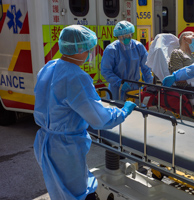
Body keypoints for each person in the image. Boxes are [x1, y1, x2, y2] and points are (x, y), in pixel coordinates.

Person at [33, 25, 137, 200]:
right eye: (88, 48)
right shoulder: (75, 77)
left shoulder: (49, 67)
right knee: (77, 194)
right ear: (79, 49)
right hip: (65, 149)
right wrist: (123, 111)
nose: (90, 53)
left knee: (58, 191)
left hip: (45, 142)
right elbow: (100, 119)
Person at [101, 20, 153, 100]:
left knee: (136, 111)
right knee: (118, 110)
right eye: (122, 36)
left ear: (131, 34)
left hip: (135, 88)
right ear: (118, 36)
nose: (125, 38)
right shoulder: (111, 50)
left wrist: (149, 84)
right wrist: (119, 83)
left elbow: (146, 66)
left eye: (128, 35)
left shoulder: (138, 47)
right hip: (117, 89)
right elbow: (106, 71)